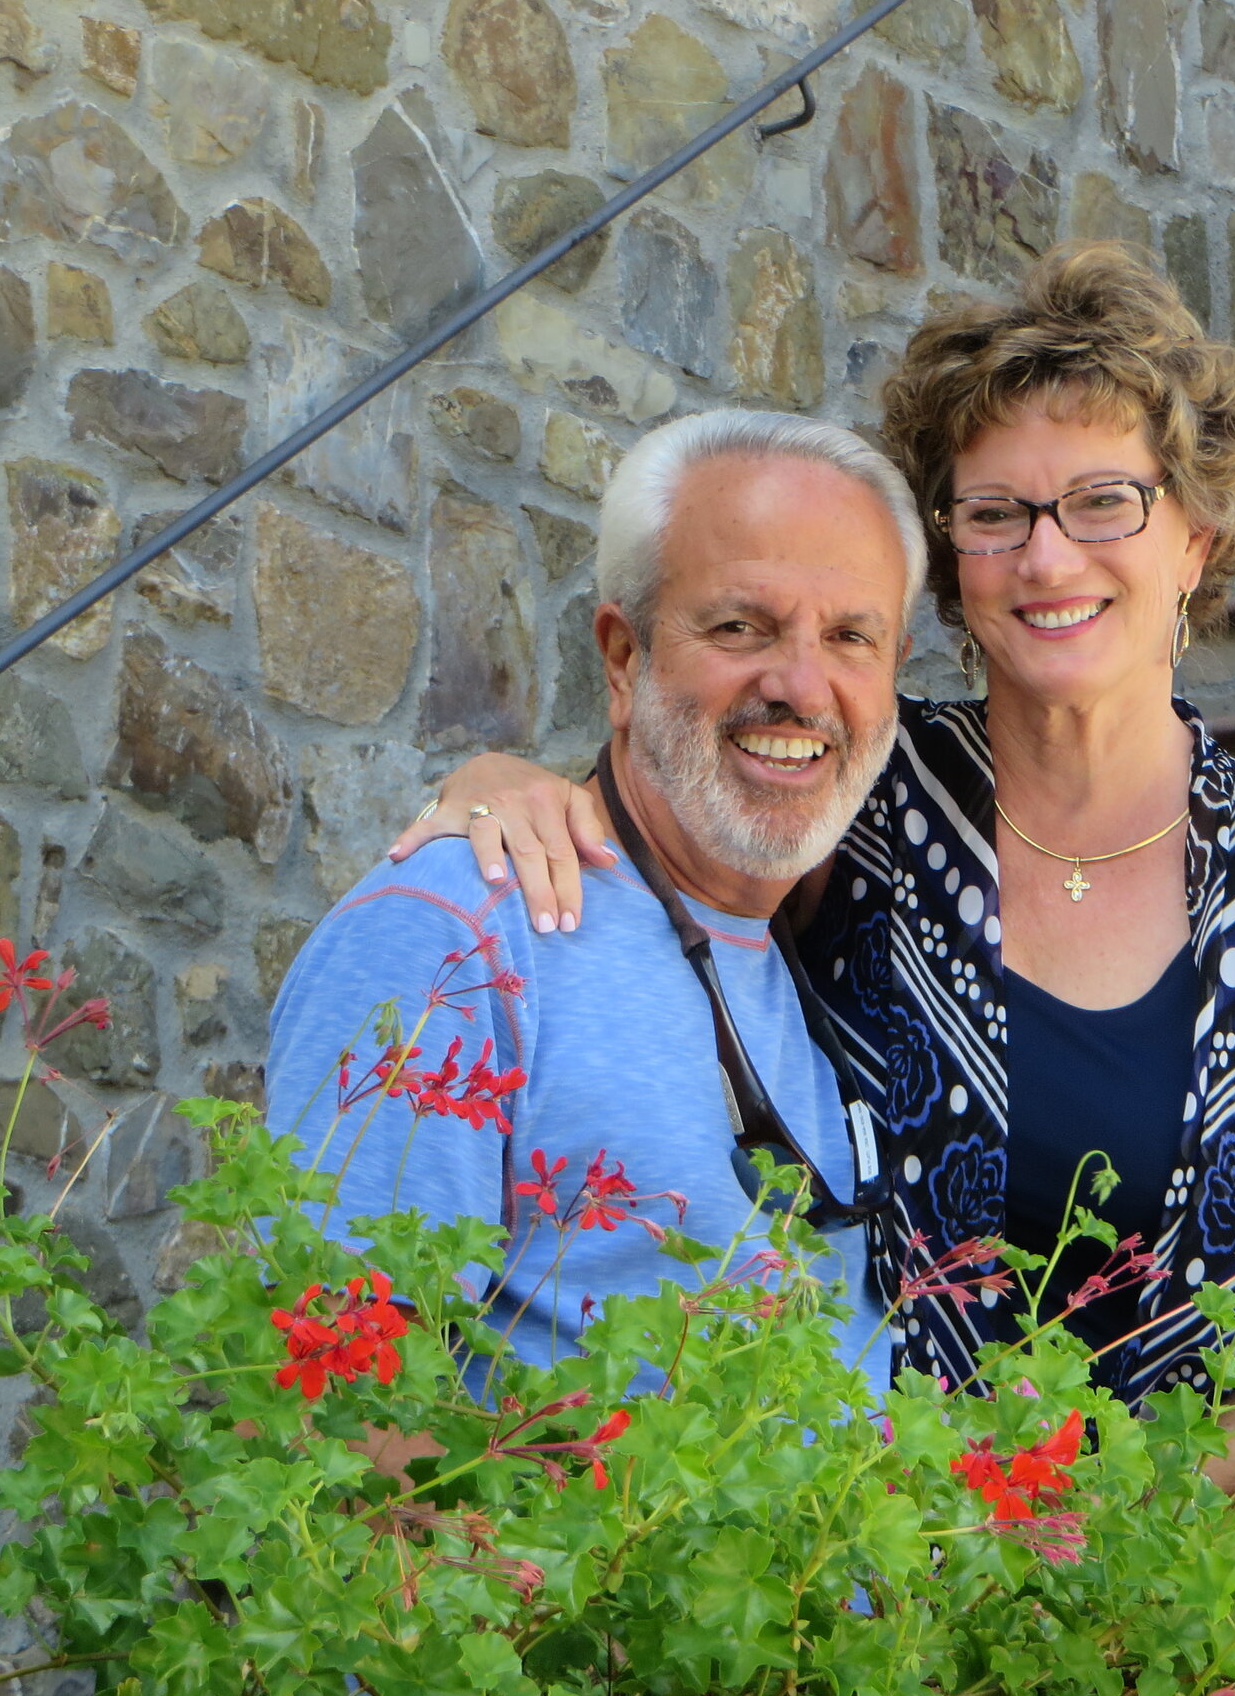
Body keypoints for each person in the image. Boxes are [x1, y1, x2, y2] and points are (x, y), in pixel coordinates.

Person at [393, 245, 1235, 1469]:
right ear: (954, 568)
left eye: (1103, 501)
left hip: (1167, 1566)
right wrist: (499, 786)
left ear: (1195, 541)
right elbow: (656, 799)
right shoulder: (851, 783)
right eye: (996, 514)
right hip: (873, 1564)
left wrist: (1146, 1511)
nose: (1048, 557)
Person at [264, 408, 923, 1379]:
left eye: (851, 637)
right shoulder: (464, 926)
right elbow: (334, 1397)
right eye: (741, 625)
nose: (801, 685)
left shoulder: (832, 937)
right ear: (623, 658)